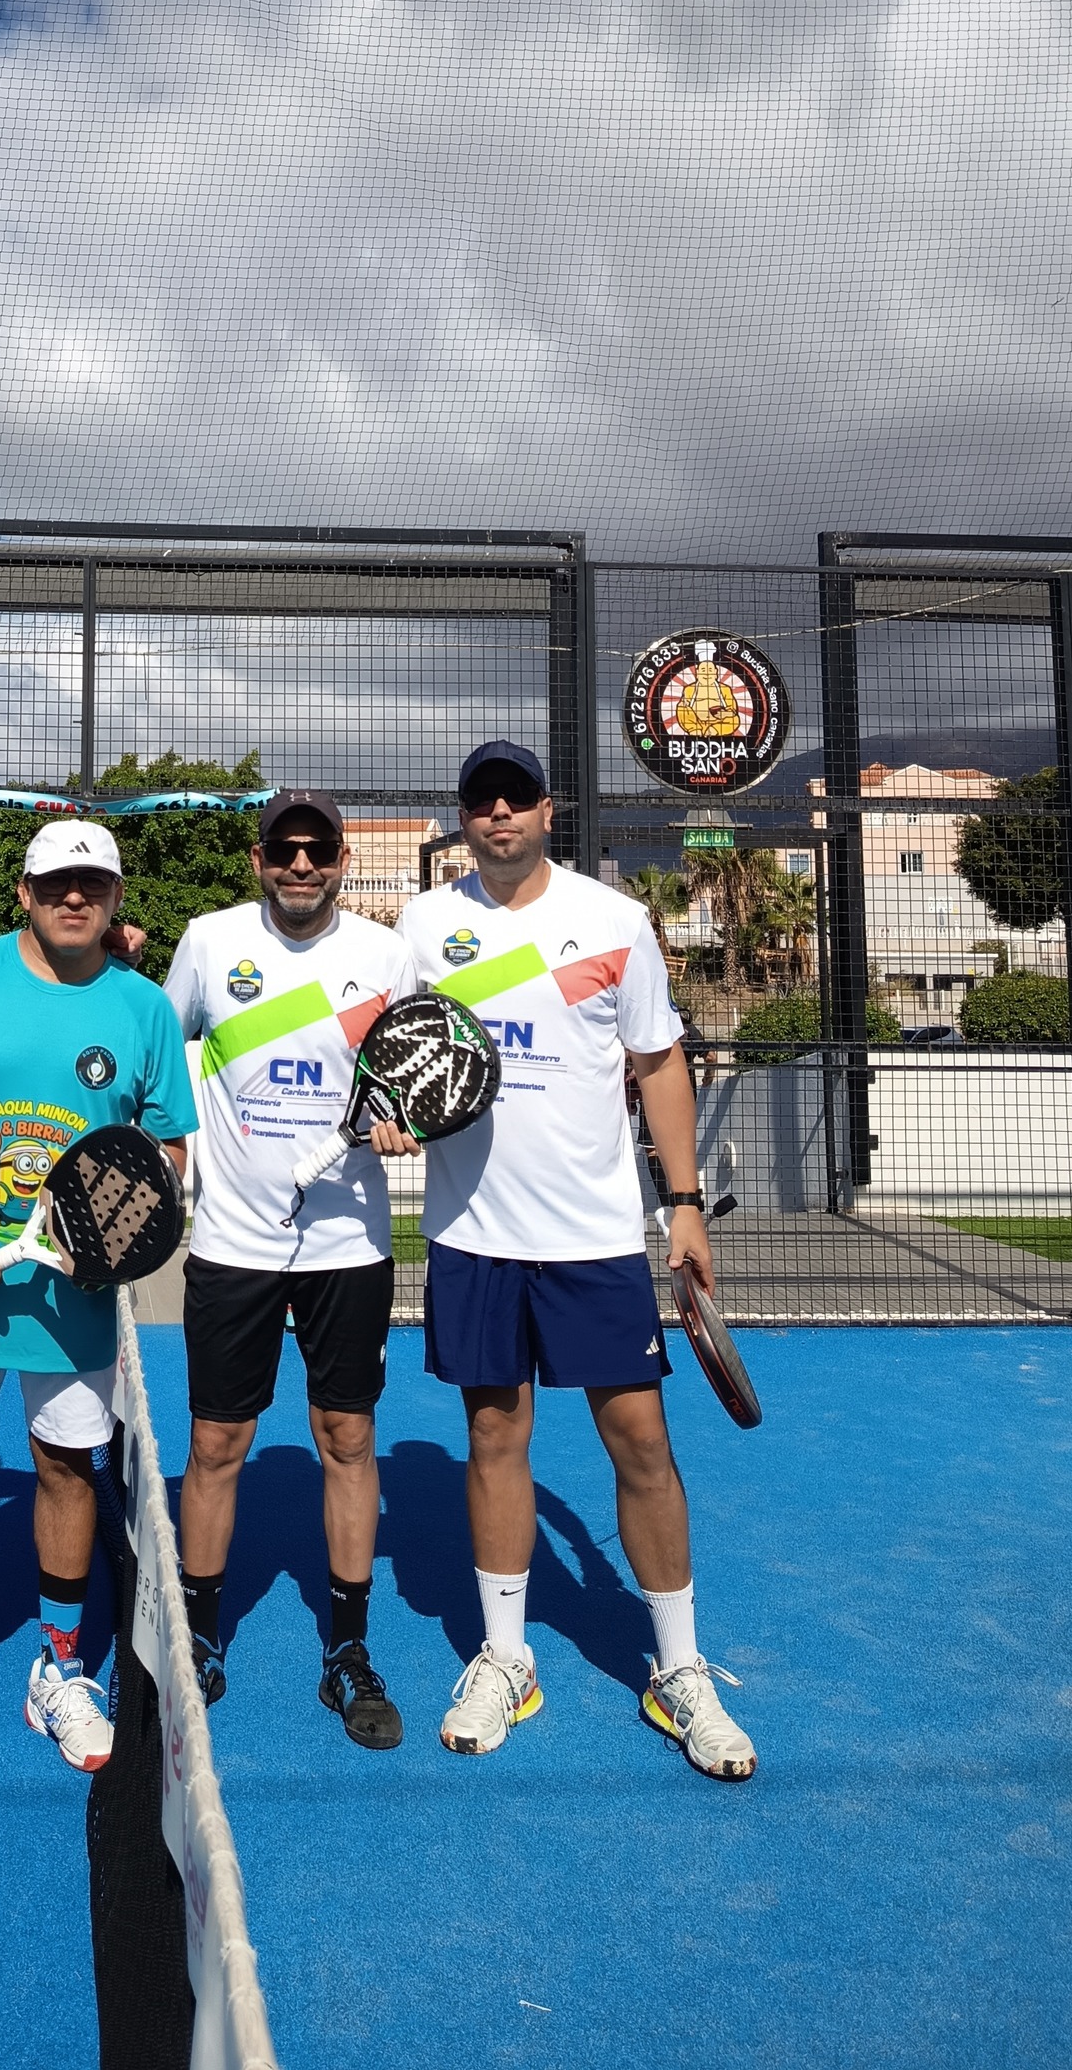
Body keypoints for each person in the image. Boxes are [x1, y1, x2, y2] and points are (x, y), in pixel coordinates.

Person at [394, 740, 757, 1781]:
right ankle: (507, 1658)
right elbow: (400, 1052)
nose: (499, 814)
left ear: (548, 811)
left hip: (595, 1239)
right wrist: (391, 1113)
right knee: (493, 1436)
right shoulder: (424, 926)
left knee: (640, 1439)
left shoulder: (613, 920)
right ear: (464, 819)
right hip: (474, 1236)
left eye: (516, 798)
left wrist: (683, 1205)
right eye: (482, 800)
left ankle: (677, 1668)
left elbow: (658, 1062)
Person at [0, 818, 195, 1785]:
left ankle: (59, 1669)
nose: (73, 898)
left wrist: (109, 1234)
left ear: (116, 898)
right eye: (55, 883)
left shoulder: (143, 1007)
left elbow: (168, 1150)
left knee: (66, 1468)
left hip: (74, 1299)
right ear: (25, 891)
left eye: (91, 884)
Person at [165, 790, 416, 1747]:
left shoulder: (386, 956)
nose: (301, 865)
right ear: (258, 859)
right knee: (216, 1444)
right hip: (233, 1241)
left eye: (317, 850)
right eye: (284, 849)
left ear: (342, 860)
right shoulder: (209, 940)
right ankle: (197, 1638)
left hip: (348, 1244)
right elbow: (158, 1049)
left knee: (347, 1437)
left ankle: (347, 1650)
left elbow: (412, 1072)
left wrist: (401, 1118)